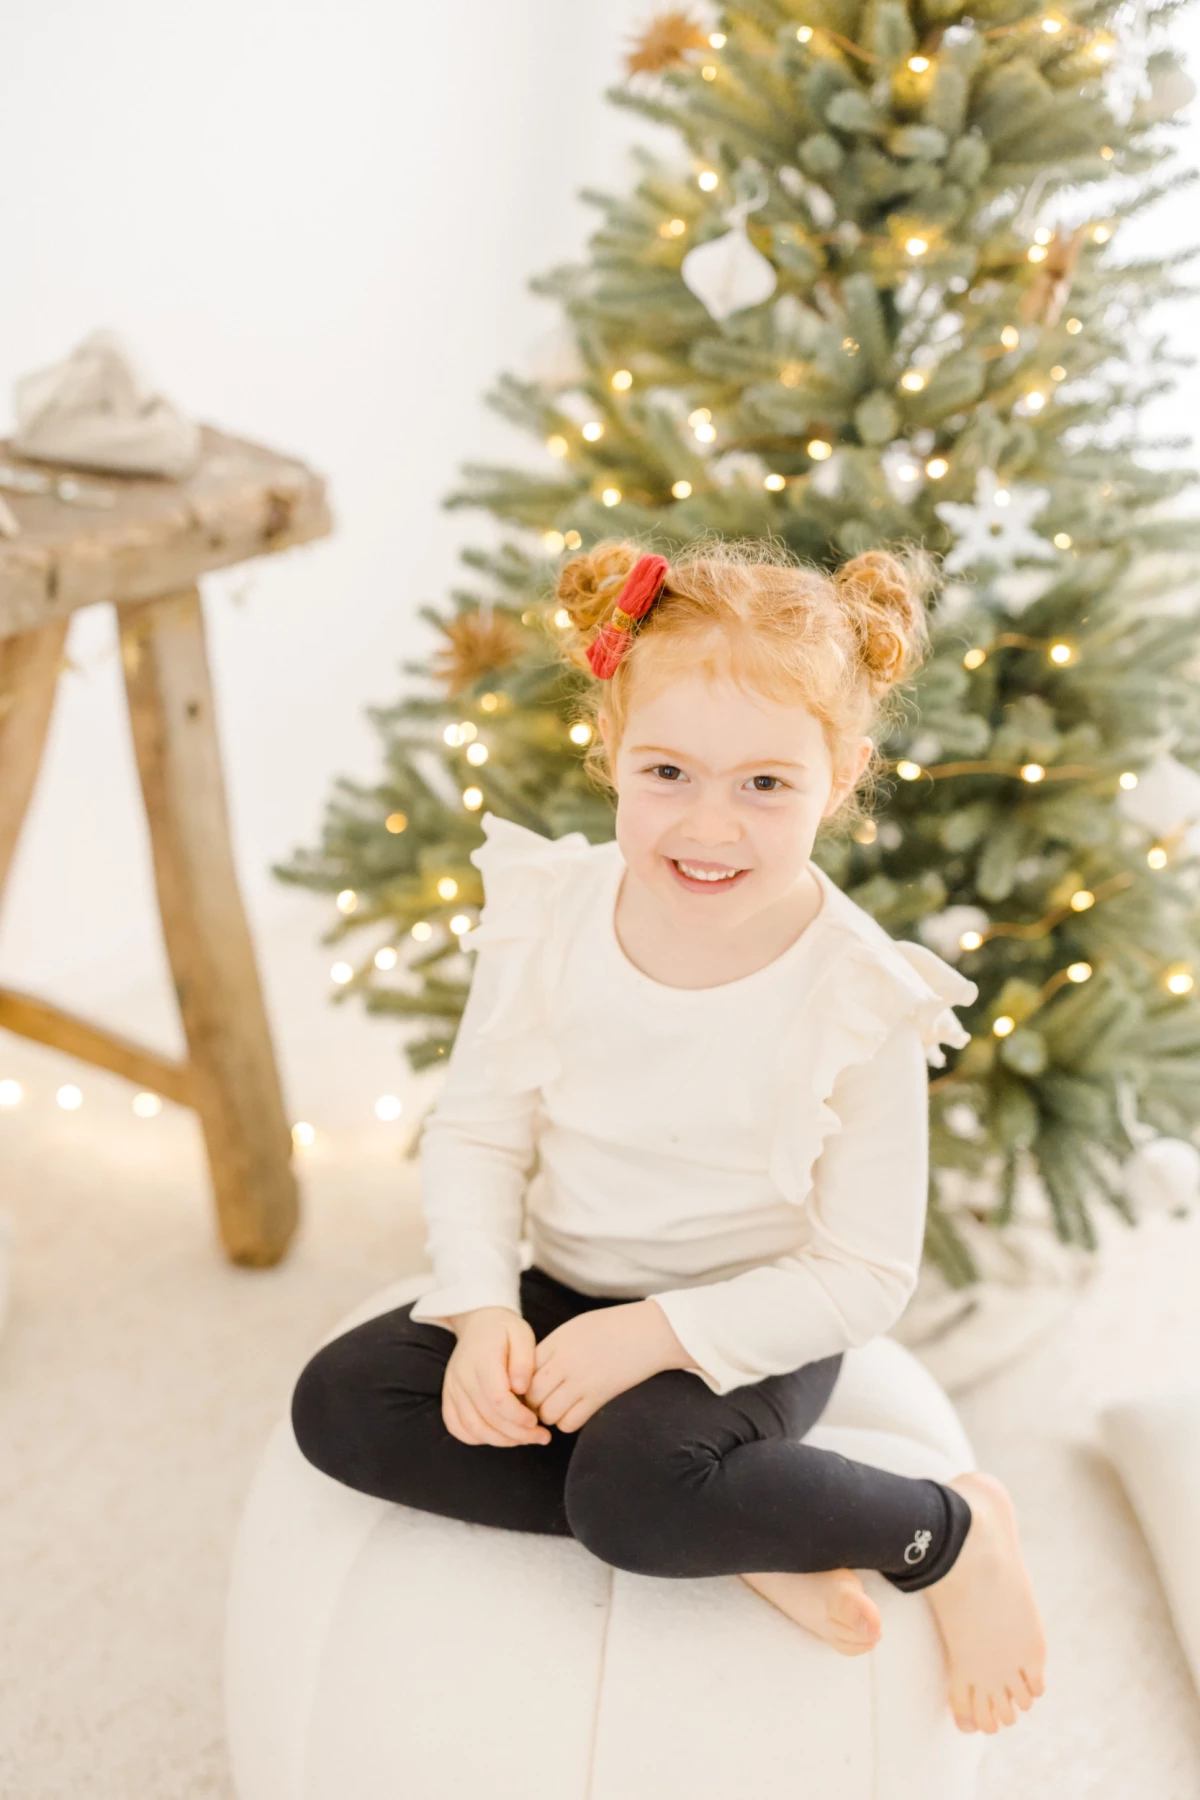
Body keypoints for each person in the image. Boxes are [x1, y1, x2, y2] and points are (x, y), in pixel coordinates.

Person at [291, 537, 1047, 1737]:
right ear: (611, 750)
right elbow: (481, 1130)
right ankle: (746, 1522)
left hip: (748, 1325)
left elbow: (862, 1276)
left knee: (634, 1496)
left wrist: (657, 1335)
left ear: (842, 776)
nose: (711, 825)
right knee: (340, 1405)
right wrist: (487, 1308)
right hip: (564, 1285)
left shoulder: (860, 997)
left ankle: (946, 1534)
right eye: (668, 772)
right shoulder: (550, 916)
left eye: (766, 785)